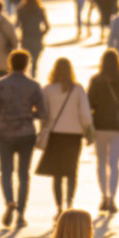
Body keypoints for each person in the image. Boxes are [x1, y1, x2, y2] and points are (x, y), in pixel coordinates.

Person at [0, 48, 46, 230]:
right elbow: (43, 113)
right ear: (27, 64)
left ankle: (9, 201)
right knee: (23, 174)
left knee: (5, 171)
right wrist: (29, 113)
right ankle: (21, 214)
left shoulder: (0, 84)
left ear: (10, 64)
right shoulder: (33, 85)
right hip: (26, 133)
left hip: (4, 132)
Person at [39, 56, 92, 215]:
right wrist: (88, 130)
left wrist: (43, 130)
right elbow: (85, 114)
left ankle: (58, 206)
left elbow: (44, 114)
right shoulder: (78, 89)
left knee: (57, 173)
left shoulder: (48, 89)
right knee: (71, 170)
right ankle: (69, 202)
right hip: (74, 135)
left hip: (55, 135)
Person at [87, 48, 119, 213]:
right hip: (118, 127)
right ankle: (113, 199)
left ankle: (104, 197)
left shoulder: (96, 81)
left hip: (100, 126)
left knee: (101, 163)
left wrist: (89, 125)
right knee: (114, 164)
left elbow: (89, 104)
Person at [15, 0, 50, 78]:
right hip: (37, 37)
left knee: (26, 60)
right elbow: (47, 26)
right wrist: (41, 34)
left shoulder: (21, 10)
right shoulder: (40, 9)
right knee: (35, 61)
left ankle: (26, 77)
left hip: (25, 37)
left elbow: (16, 25)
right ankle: (33, 76)